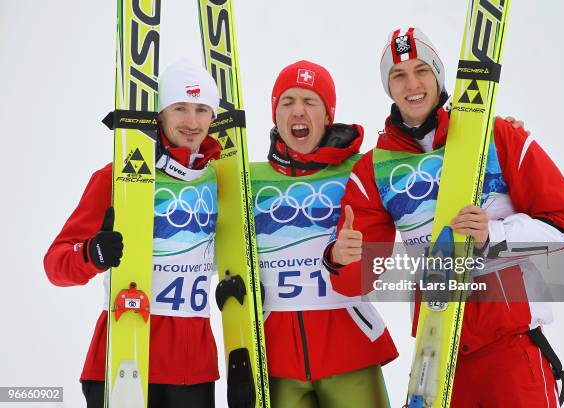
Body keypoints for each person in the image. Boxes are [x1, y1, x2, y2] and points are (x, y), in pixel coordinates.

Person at [325, 27, 564, 407]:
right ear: (388, 87)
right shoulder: (375, 169)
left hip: (510, 351)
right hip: (437, 359)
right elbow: (356, 280)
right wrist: (342, 258)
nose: (411, 84)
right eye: (398, 75)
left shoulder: (497, 136)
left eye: (421, 70)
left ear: (438, 74)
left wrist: (494, 236)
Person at [44, 60, 222, 408]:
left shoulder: (220, 182)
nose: (191, 122)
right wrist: (91, 254)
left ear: (213, 118)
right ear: (160, 115)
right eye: (180, 108)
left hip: (194, 370)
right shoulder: (118, 177)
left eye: (202, 110)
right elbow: (56, 264)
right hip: (122, 357)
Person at [250, 60, 398, 407]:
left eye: (310, 101)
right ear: (275, 114)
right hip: (278, 354)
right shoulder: (248, 177)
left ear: (328, 114)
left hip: (350, 346)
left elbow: (425, 167)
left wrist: (493, 137)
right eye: (287, 102)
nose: (298, 111)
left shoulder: (363, 168)